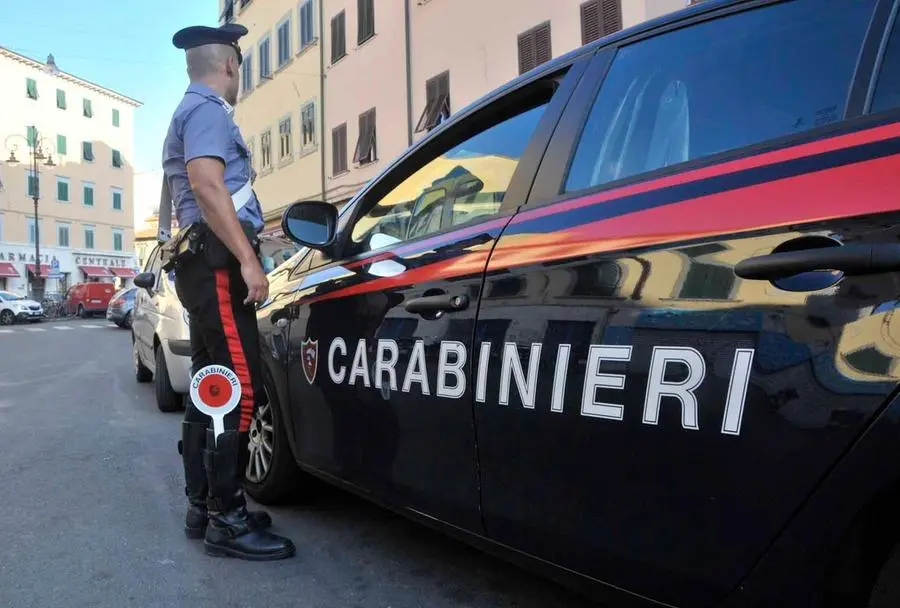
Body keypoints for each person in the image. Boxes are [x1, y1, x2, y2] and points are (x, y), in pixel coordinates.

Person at [161, 22, 295, 561]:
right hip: (218, 261)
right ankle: (229, 518)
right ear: (231, 66)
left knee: (208, 383)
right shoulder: (210, 111)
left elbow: (184, 193)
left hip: (200, 261)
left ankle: (205, 505)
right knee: (238, 386)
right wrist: (247, 257)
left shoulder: (186, 110)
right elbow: (206, 182)